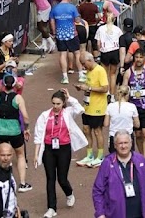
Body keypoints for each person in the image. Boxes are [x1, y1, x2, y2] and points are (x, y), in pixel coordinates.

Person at [32, 89, 86, 217]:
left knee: (62, 178)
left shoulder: (68, 113)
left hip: (64, 148)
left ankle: (69, 193)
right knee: (50, 178)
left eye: (58, 104)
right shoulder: (44, 115)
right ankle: (51, 208)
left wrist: (69, 97)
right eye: (54, 103)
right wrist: (36, 154)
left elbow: (80, 108)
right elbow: (38, 136)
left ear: (63, 103)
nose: (55, 106)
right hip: (49, 149)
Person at [92, 130, 145, 218]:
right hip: (115, 214)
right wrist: (100, 213)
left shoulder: (141, 160)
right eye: (120, 143)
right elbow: (98, 190)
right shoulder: (107, 163)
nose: (123, 146)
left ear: (131, 143)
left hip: (140, 213)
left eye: (126, 142)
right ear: (115, 145)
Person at [0, 73, 31, 192]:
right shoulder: (18, 98)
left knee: (0, 156)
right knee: (20, 155)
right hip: (15, 131)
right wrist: (26, 128)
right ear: (14, 84)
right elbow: (25, 117)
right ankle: (22, 183)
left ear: (3, 84)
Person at [74, 52, 109, 167]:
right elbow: (89, 86)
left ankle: (100, 156)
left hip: (98, 107)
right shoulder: (88, 71)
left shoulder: (100, 70)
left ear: (89, 60)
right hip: (87, 106)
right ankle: (89, 155)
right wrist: (82, 88)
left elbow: (105, 88)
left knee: (97, 131)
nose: (83, 66)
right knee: (86, 129)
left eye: (84, 63)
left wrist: (88, 87)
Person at [50, 0, 82, 85]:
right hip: (72, 33)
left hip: (60, 34)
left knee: (62, 54)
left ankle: (64, 77)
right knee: (77, 53)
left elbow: (52, 21)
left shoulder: (55, 8)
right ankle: (80, 75)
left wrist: (54, 32)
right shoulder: (72, 7)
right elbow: (77, 20)